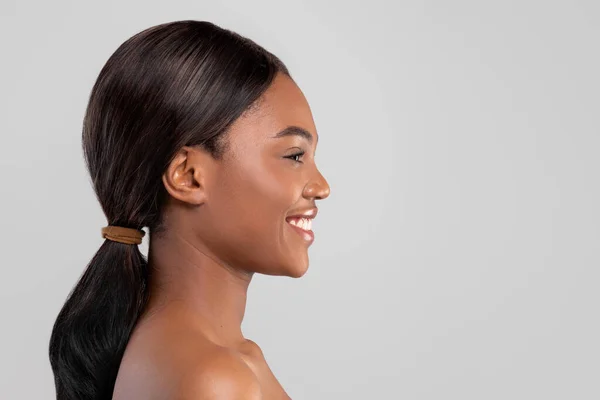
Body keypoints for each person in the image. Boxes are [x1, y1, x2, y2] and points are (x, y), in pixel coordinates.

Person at [48, 20, 330, 400]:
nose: (321, 186)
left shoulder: (218, 360)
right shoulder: (212, 379)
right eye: (294, 155)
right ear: (188, 177)